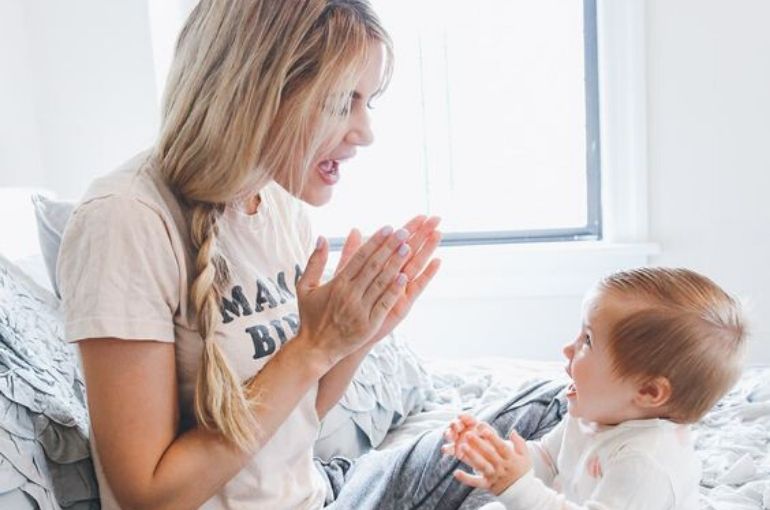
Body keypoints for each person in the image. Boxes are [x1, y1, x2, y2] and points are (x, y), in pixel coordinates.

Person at [57, 1, 442, 508]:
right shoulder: (124, 221)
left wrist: (357, 336)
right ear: (258, 90)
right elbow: (147, 496)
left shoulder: (281, 205)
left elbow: (293, 424)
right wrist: (313, 346)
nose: (365, 132)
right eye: (340, 102)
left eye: (367, 102)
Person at [442, 267, 746, 509]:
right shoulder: (596, 414)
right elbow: (548, 459)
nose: (567, 348)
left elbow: (531, 491)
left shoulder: (646, 463)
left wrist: (518, 488)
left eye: (588, 340)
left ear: (648, 392)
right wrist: (499, 456)